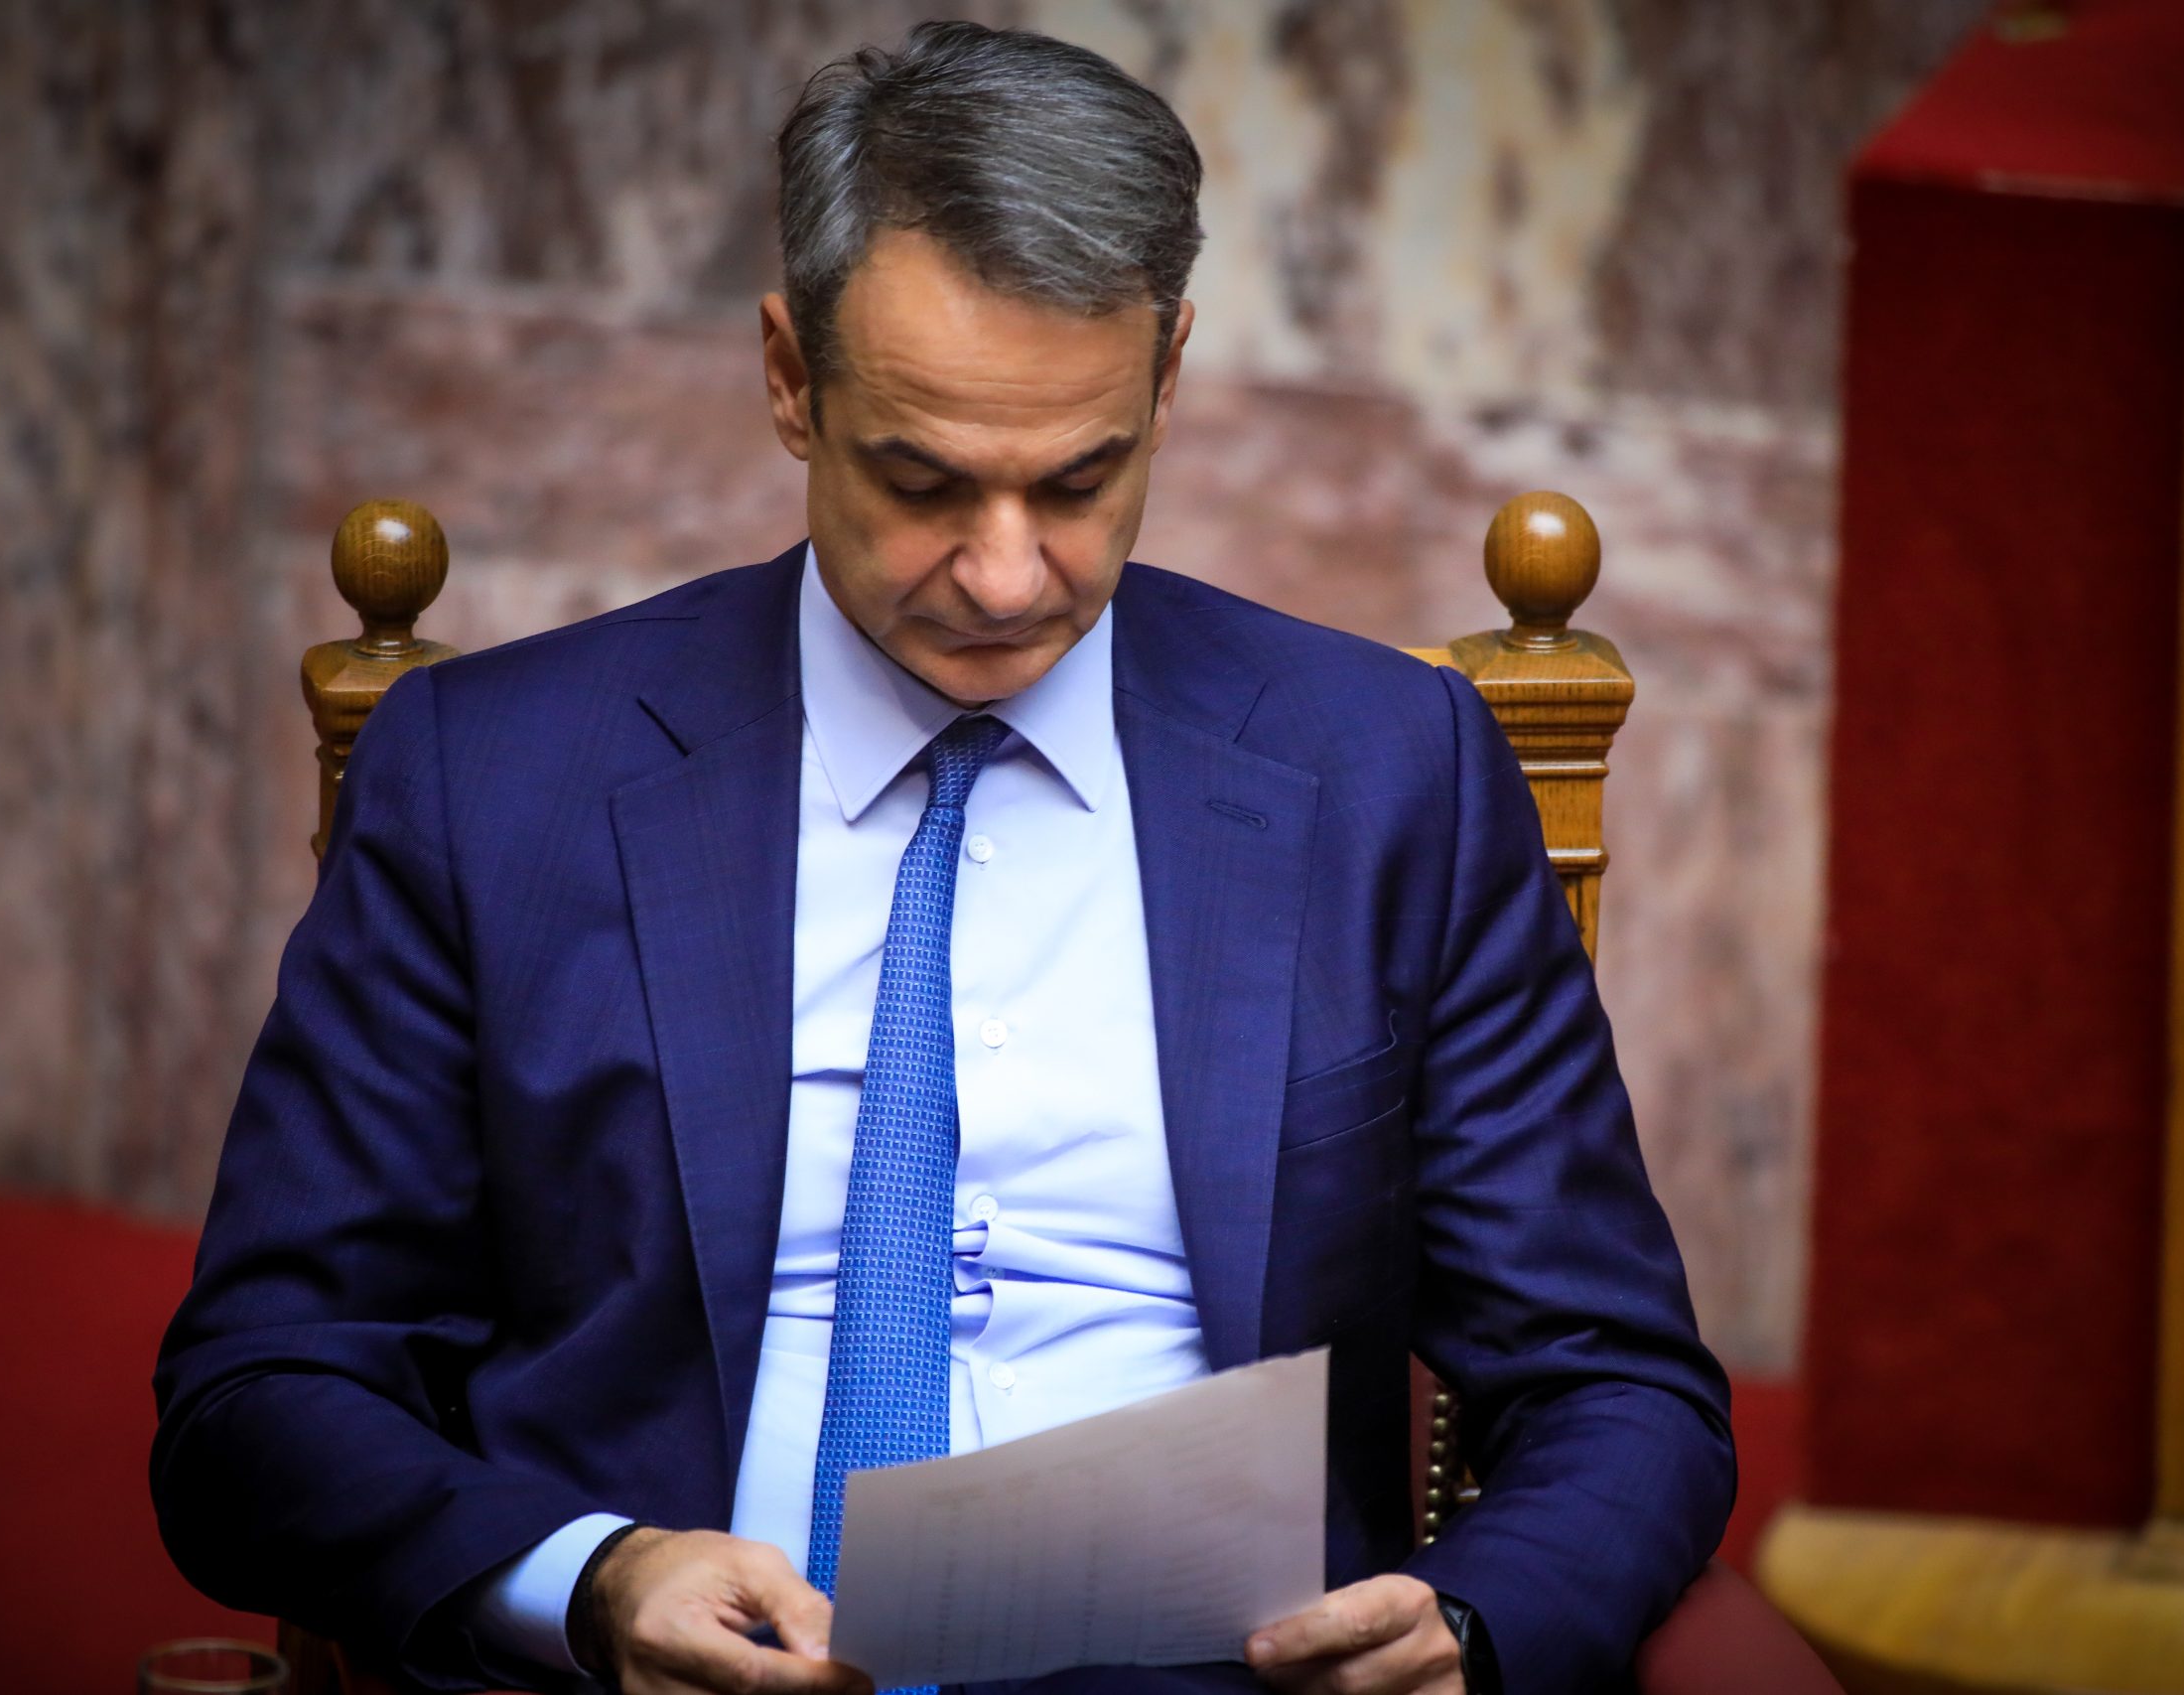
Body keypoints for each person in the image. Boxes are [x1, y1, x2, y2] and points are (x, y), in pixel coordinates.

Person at [152, 22, 1732, 1695]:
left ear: (1168, 377)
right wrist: (590, 1583)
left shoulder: (1384, 775)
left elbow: (1618, 1380)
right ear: (790, 378)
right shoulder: (495, 782)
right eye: (923, 482)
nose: (1004, 578)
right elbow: (259, 1395)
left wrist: (1469, 1628)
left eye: (1081, 481)